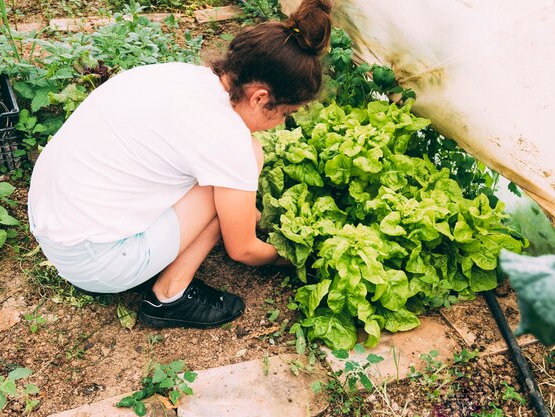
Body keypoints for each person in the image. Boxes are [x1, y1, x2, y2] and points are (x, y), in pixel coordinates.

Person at [27, 0, 332, 329]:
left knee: (236, 172)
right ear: (259, 97)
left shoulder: (184, 77)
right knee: (243, 163)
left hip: (53, 225)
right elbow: (243, 250)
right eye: (284, 113)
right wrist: (292, 256)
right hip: (98, 263)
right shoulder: (226, 140)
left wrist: (255, 216)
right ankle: (170, 295)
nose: (280, 123)